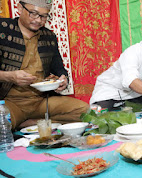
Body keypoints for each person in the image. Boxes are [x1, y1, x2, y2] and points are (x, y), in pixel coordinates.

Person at [0, 0, 89, 130]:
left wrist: (63, 80)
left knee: (84, 110)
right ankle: (26, 121)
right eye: (33, 14)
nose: (38, 20)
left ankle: (29, 122)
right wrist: (9, 76)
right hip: (10, 102)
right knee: (1, 122)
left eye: (44, 16)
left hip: (41, 102)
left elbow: (59, 69)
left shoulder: (49, 37)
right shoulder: (3, 29)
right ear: (20, 8)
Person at [90, 14, 142, 110]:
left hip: (132, 96)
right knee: (103, 121)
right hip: (109, 93)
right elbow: (131, 82)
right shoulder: (132, 52)